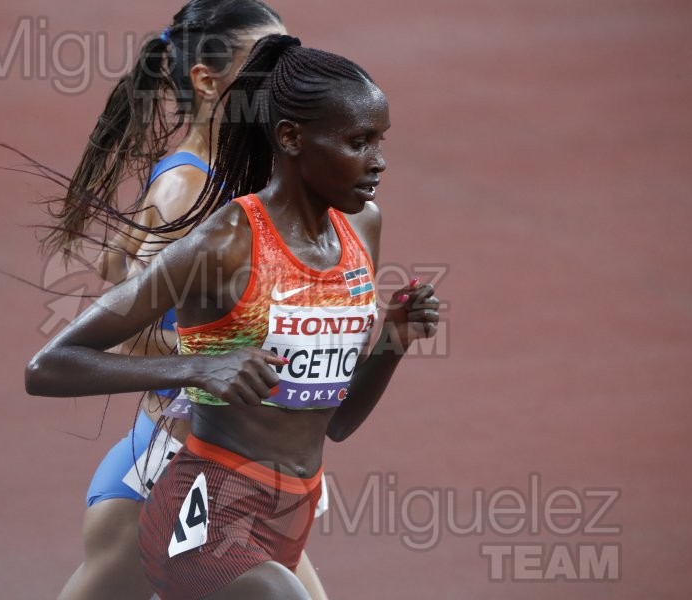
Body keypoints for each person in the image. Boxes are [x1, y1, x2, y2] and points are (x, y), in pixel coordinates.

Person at [27, 34, 440, 599]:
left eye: (380, 141)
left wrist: (394, 339)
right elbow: (49, 366)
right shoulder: (226, 242)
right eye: (359, 141)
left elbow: (335, 423)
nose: (379, 161)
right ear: (291, 138)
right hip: (204, 511)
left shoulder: (363, 227)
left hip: (291, 514)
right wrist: (195, 369)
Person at [42, 2, 329, 599]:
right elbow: (131, 335)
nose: (285, 80)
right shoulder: (189, 188)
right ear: (206, 80)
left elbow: (115, 262)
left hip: (224, 456)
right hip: (181, 458)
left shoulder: (237, 176)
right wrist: (213, 355)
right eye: (266, 66)